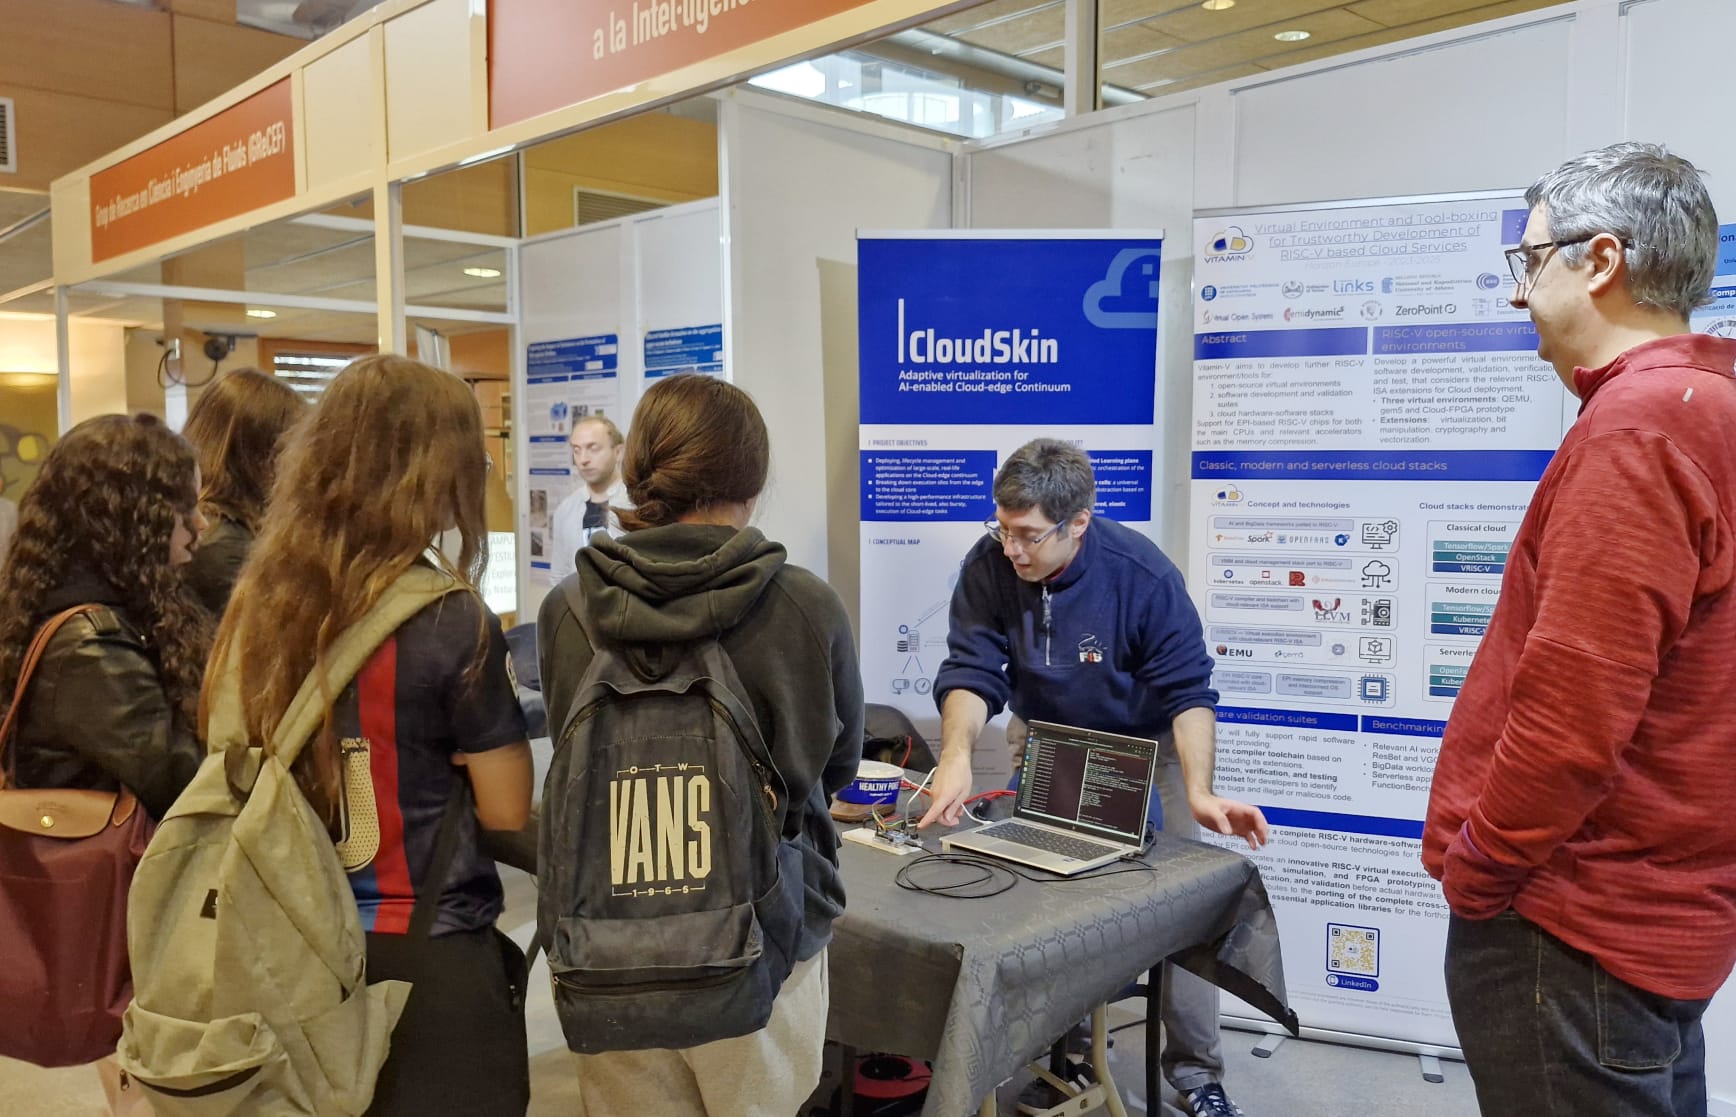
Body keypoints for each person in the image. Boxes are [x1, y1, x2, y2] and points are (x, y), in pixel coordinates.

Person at [1423, 142, 1736, 1116]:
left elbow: (1572, 714)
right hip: (1657, 908)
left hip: (1570, 921)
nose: (1519, 293)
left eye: (1529, 259)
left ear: (1599, 260)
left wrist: (1481, 874)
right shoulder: (1709, 409)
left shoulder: (1639, 427)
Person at [208, 354, 534, 1116]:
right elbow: (507, 808)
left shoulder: (257, 606)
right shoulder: (452, 619)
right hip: (428, 947)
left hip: (289, 942)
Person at [539, 373, 863, 1116]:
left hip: (606, 943)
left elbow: (569, 745)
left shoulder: (571, 608)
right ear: (752, 478)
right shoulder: (804, 605)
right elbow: (835, 767)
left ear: (638, 469)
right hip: (764, 934)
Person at [920, 438, 1267, 1117]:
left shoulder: (1143, 575)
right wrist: (956, 753)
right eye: (1002, 528)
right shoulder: (990, 564)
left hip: (1146, 748)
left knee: (1182, 911)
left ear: (1077, 521)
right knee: (1050, 900)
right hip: (1047, 740)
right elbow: (971, 670)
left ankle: (1197, 1073)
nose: (1011, 548)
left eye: (1027, 534)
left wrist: (1198, 790)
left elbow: (1188, 693)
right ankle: (1071, 1052)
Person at [0, 413, 207, 820]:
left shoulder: (95, 608)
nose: (202, 524)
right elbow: (182, 781)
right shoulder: (87, 647)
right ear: (135, 515)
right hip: (110, 859)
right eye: (186, 506)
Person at [179, 367, 308, 616]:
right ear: (259, 452)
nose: (298, 460)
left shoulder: (209, 527)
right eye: (290, 446)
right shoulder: (224, 545)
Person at [547, 414, 629, 583]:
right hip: (579, 599)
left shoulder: (636, 504)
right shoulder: (566, 510)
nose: (583, 459)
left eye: (593, 448)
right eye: (577, 450)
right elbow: (559, 575)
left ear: (618, 452)